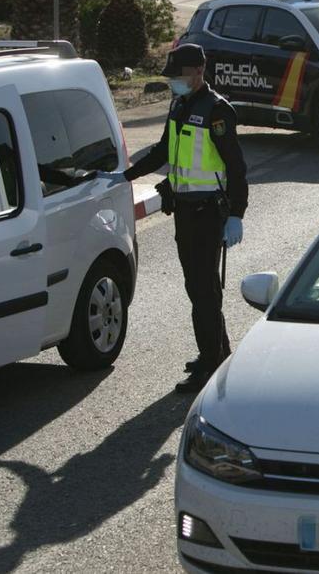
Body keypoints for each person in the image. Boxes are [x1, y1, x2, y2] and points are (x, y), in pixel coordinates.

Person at [104, 44, 249, 393]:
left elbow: (237, 167)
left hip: (208, 213)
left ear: (198, 72)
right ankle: (217, 353)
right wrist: (126, 175)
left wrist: (237, 215)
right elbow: (163, 151)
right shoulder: (180, 105)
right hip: (184, 211)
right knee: (199, 287)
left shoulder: (217, 112)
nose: (174, 83)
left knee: (203, 290)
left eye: (179, 76)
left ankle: (210, 363)